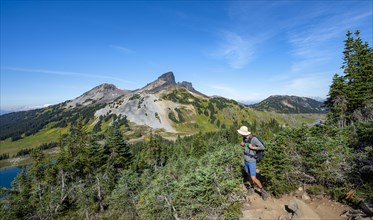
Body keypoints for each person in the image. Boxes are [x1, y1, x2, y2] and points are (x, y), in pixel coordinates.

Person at [237, 125, 269, 200]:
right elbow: (246, 146)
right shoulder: (245, 138)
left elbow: (262, 147)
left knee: (253, 178)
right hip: (246, 160)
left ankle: (263, 191)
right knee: (248, 175)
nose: (240, 134)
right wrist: (243, 145)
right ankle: (251, 188)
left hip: (251, 161)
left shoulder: (253, 139)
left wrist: (253, 147)